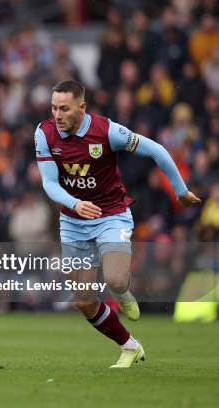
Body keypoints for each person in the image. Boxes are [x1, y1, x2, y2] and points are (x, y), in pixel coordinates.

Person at [34, 80, 200, 368]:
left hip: (111, 214)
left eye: (64, 109)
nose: (57, 115)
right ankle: (130, 346)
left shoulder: (107, 131)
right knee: (84, 301)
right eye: (53, 108)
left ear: (82, 107)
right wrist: (74, 204)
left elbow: (157, 150)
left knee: (115, 279)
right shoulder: (45, 133)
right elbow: (49, 182)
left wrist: (181, 190)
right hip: (73, 221)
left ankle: (122, 292)